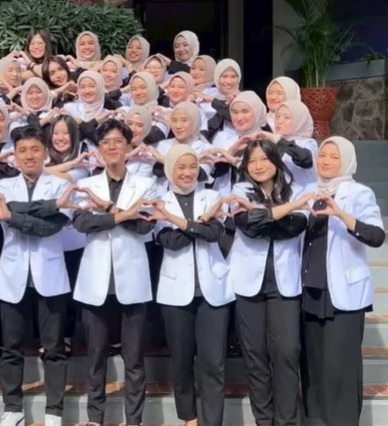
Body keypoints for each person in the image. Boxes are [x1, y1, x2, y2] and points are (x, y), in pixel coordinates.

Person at [0, 126, 76, 426]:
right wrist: (44, 209)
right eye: (23, 150)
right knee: (11, 348)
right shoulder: (3, 186)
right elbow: (10, 210)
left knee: (54, 348)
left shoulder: (60, 185)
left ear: (45, 153)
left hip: (49, 274)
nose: (29, 156)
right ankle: (13, 408)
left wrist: (14, 217)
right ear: (14, 155)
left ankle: (54, 411)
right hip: (12, 274)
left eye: (35, 149)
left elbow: (52, 227)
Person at [72, 119, 157, 426]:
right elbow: (82, 223)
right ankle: (95, 418)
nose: (111, 147)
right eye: (105, 142)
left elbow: (145, 225)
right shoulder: (87, 185)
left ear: (128, 147)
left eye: (118, 141)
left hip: (132, 278)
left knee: (134, 358)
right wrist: (123, 216)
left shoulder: (145, 183)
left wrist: (106, 210)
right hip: (96, 279)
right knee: (96, 356)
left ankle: (134, 420)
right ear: (98, 149)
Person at [228, 139, 312, 426]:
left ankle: (287, 420)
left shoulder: (297, 191)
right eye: (252, 161)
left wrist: (265, 218)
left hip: (284, 283)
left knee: (287, 352)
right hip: (248, 283)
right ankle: (264, 420)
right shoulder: (240, 191)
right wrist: (285, 212)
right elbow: (247, 226)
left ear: (276, 161)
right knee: (255, 355)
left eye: (264, 159)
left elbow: (295, 227)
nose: (258, 166)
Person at [301, 137, 385, 426]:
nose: (325, 161)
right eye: (322, 155)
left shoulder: (359, 193)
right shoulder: (307, 192)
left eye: (334, 157)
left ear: (347, 161)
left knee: (341, 368)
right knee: (313, 366)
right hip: (309, 291)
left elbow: (376, 236)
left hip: (343, 293)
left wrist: (341, 214)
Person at [154, 144, 233, 426]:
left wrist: (180, 223)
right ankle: (189, 417)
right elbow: (170, 241)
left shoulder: (212, 197)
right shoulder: (158, 202)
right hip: (176, 293)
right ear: (170, 170)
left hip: (213, 291)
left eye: (192, 167)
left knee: (214, 362)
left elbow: (214, 234)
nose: (187, 173)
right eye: (181, 167)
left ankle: (212, 421)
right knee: (181, 359)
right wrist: (199, 224)